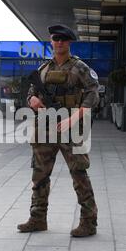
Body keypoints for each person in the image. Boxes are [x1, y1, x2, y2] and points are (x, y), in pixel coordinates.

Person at [17, 24, 100, 237]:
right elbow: (31, 92)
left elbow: (93, 93)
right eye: (56, 38)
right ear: (52, 41)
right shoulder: (43, 69)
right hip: (44, 126)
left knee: (79, 172)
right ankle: (37, 218)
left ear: (69, 42)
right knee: (39, 174)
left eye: (64, 39)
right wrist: (32, 99)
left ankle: (89, 222)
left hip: (71, 127)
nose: (60, 42)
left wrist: (75, 116)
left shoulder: (80, 67)